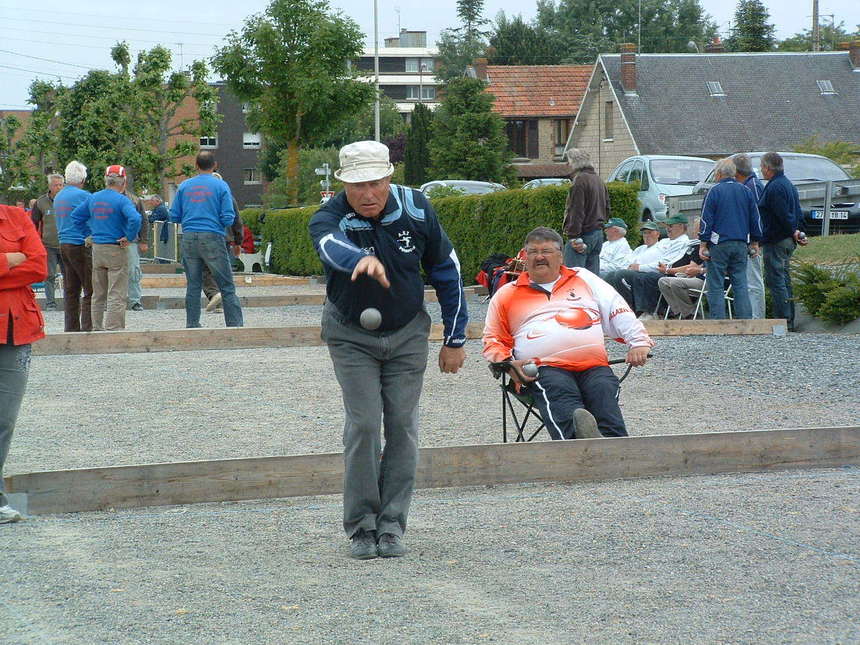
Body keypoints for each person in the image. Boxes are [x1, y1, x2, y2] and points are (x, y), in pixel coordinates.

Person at [309, 140, 468, 560]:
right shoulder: (331, 214)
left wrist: (455, 339)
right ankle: (361, 525)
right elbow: (326, 243)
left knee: (402, 425)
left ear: (389, 178)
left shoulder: (417, 208)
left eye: (375, 183)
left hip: (407, 333)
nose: (367, 194)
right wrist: (357, 258)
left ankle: (392, 525)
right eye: (357, 185)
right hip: (349, 333)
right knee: (363, 424)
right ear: (344, 184)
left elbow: (446, 269)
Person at [483, 226, 652, 443]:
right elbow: (493, 338)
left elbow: (618, 309)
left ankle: (611, 447)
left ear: (561, 255)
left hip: (592, 364)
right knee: (559, 388)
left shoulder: (584, 278)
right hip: (543, 367)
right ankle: (579, 448)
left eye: (546, 251)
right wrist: (506, 363)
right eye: (533, 252)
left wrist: (638, 342)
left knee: (602, 387)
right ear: (525, 257)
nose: (539, 257)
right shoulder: (507, 293)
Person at [0, 203, 47, 523]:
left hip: (16, 330)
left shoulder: (17, 217)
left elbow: (40, 265)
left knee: (4, 419)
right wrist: (8, 260)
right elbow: (25, 263)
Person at [169, 151, 243, 328]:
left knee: (193, 285)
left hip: (188, 238)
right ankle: (234, 325)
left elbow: (174, 216)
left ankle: (192, 324)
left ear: (196, 165)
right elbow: (228, 217)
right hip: (213, 236)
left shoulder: (185, 186)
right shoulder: (221, 186)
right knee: (226, 284)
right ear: (215, 165)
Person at [70, 165, 142, 331]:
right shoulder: (122, 200)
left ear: (106, 180)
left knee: (98, 292)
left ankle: (96, 327)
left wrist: (88, 234)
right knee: (116, 291)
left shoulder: (94, 198)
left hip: (97, 249)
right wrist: (129, 237)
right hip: (116, 248)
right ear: (123, 182)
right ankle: (113, 328)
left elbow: (76, 217)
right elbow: (135, 219)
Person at [698, 158, 762, 320]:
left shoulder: (714, 191)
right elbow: (755, 219)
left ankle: (718, 322)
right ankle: (745, 322)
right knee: (741, 283)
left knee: (716, 285)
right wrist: (755, 241)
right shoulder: (746, 191)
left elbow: (706, 220)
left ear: (718, 174)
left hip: (719, 244)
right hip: (741, 243)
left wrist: (703, 244)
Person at [603, 218, 689, 319]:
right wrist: (631, 267)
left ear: (657, 234)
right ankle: (619, 309)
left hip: (651, 272)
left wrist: (639, 267)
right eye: (644, 233)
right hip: (636, 272)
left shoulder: (661, 246)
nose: (646, 235)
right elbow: (628, 262)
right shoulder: (640, 248)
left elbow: (661, 264)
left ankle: (635, 310)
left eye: (649, 232)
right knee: (611, 275)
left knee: (621, 275)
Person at [758, 152, 806, 329]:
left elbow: (782, 214)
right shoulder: (788, 185)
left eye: (762, 167)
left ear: (768, 168)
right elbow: (797, 212)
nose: (761, 171)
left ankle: (783, 320)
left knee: (776, 280)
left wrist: (793, 231)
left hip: (777, 239)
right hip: (787, 238)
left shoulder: (775, 187)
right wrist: (799, 231)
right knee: (784, 279)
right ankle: (789, 318)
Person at [54, 160, 93, 332]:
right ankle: (88, 326)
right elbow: (95, 218)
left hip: (64, 244)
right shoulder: (84, 196)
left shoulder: (59, 196)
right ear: (83, 178)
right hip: (80, 245)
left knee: (71, 288)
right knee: (90, 288)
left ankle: (71, 327)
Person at [203, 172, 244, 314]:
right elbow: (237, 221)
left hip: (206, 236)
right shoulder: (229, 198)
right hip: (224, 239)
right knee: (222, 271)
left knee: (205, 270)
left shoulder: (203, 198)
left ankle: (214, 294)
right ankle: (222, 303)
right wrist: (238, 242)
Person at [562, 148, 608, 273]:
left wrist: (574, 237)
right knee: (592, 281)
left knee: (573, 278)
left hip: (583, 234)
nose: (568, 164)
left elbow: (576, 211)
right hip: (597, 234)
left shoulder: (580, 180)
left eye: (569, 161)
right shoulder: (598, 180)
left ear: (575, 162)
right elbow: (607, 208)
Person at [733, 154, 766, 319]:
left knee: (753, 280)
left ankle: (757, 317)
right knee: (749, 280)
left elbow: (757, 216)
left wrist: (755, 241)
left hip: (753, 242)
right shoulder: (750, 184)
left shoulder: (751, 186)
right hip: (749, 240)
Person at [30, 173, 65, 311]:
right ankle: (50, 303)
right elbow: (34, 223)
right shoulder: (40, 202)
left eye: (61, 185)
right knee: (49, 275)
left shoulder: (67, 200)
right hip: (48, 245)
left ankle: (70, 303)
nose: (58, 187)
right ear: (50, 186)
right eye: (56, 185)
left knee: (68, 275)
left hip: (66, 244)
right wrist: (36, 242)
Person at [123, 180, 148, 311]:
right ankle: (107, 301)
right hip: (110, 241)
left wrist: (143, 240)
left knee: (133, 271)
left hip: (131, 241)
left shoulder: (134, 200)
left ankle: (135, 300)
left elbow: (143, 220)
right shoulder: (104, 198)